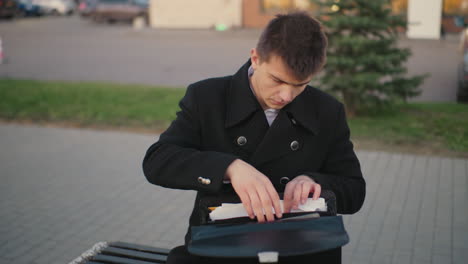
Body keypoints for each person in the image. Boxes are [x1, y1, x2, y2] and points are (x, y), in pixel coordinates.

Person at [143, 12, 365, 264]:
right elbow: (157, 162)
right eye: (277, 80)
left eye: (300, 85)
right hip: (222, 249)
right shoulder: (208, 97)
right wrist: (229, 168)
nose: (286, 96)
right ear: (256, 58)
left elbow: (355, 190)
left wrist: (315, 182)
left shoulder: (327, 110)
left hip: (301, 251)